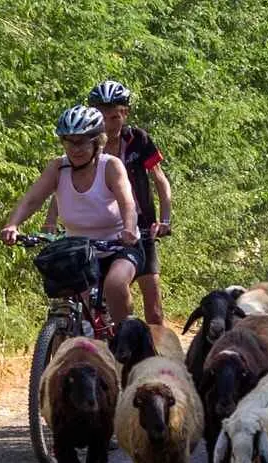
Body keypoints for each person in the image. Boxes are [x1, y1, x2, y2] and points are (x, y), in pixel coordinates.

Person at [0, 105, 143, 324]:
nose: (75, 149)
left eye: (82, 142)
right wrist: (13, 224)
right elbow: (32, 199)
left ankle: (127, 342)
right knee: (74, 300)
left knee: (114, 284)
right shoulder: (58, 168)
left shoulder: (111, 166)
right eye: (69, 141)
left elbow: (127, 203)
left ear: (97, 142)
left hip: (118, 246)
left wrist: (129, 228)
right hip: (79, 251)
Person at [85, 80, 173, 326]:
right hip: (100, 225)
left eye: (114, 116)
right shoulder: (87, 144)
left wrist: (164, 220)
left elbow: (160, 180)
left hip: (140, 225)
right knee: (91, 303)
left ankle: (155, 359)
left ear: (125, 113)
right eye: (101, 116)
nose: (108, 123)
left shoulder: (138, 140)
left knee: (153, 304)